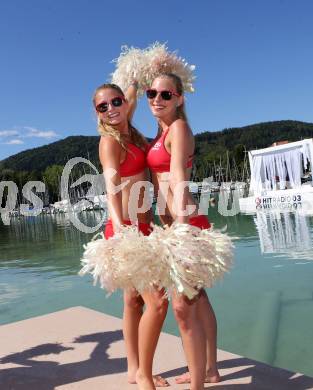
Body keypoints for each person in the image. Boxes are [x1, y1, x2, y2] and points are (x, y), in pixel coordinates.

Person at [145, 73, 221, 390]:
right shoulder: (161, 131)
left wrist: (183, 231)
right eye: (152, 93)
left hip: (184, 224)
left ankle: (199, 382)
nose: (157, 99)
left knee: (182, 307)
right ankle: (210, 369)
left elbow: (177, 177)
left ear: (179, 98)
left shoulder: (177, 128)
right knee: (197, 298)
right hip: (173, 224)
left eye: (166, 95)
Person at [93, 82, 169, 390]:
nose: (111, 108)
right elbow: (111, 189)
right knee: (158, 302)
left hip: (143, 228)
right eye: (102, 106)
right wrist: (121, 232)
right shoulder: (109, 142)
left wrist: (144, 74)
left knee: (133, 301)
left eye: (116, 101)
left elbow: (134, 93)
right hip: (126, 230)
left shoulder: (131, 134)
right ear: (97, 113)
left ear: (125, 102)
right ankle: (144, 376)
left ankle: (133, 368)